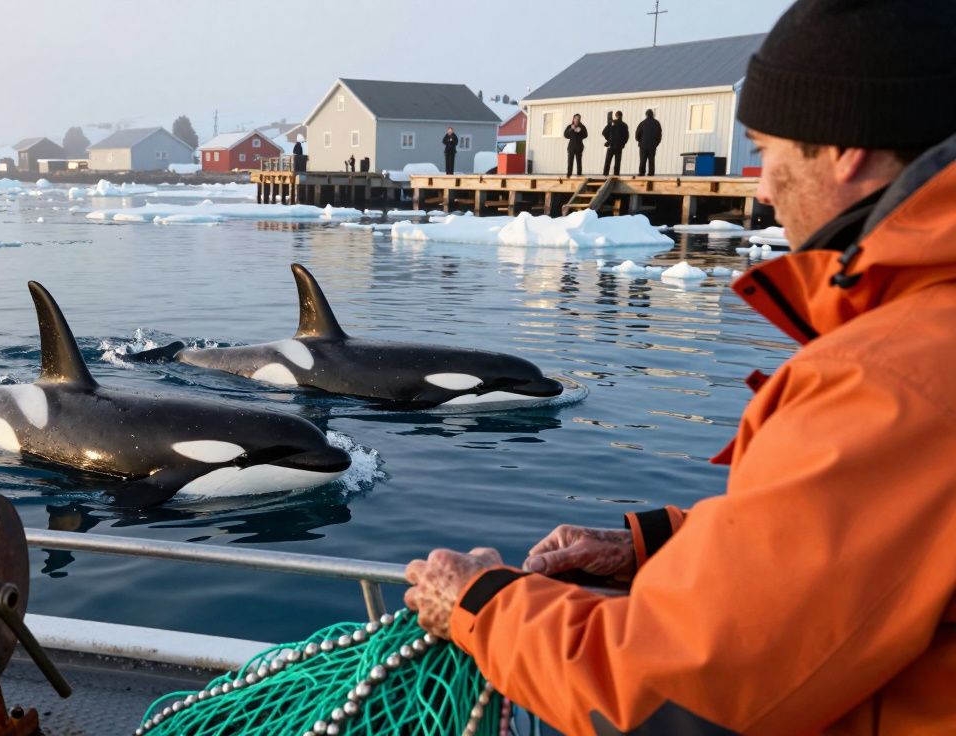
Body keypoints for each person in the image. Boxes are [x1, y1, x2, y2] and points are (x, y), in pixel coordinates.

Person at [405, 0, 956, 733]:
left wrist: (479, 603)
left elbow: (679, 693)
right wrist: (655, 549)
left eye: (766, 149)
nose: (761, 188)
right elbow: (868, 543)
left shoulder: (892, 378)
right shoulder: (919, 345)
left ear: (844, 149)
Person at [635, 109, 662, 176]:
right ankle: (651, 173)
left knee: (642, 160)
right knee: (651, 160)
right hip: (652, 145)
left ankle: (641, 173)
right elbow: (659, 135)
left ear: (646, 115)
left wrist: (639, 141)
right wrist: (656, 143)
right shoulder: (657, 123)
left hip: (643, 145)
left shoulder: (642, 123)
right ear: (652, 114)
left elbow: (637, 134)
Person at [602, 111, 629, 176]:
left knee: (608, 161)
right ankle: (616, 176)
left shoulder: (611, 122)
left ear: (616, 115)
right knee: (617, 162)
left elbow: (604, 132)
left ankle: (605, 175)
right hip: (619, 146)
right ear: (621, 116)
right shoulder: (624, 125)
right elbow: (626, 136)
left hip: (611, 145)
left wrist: (609, 140)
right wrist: (623, 144)